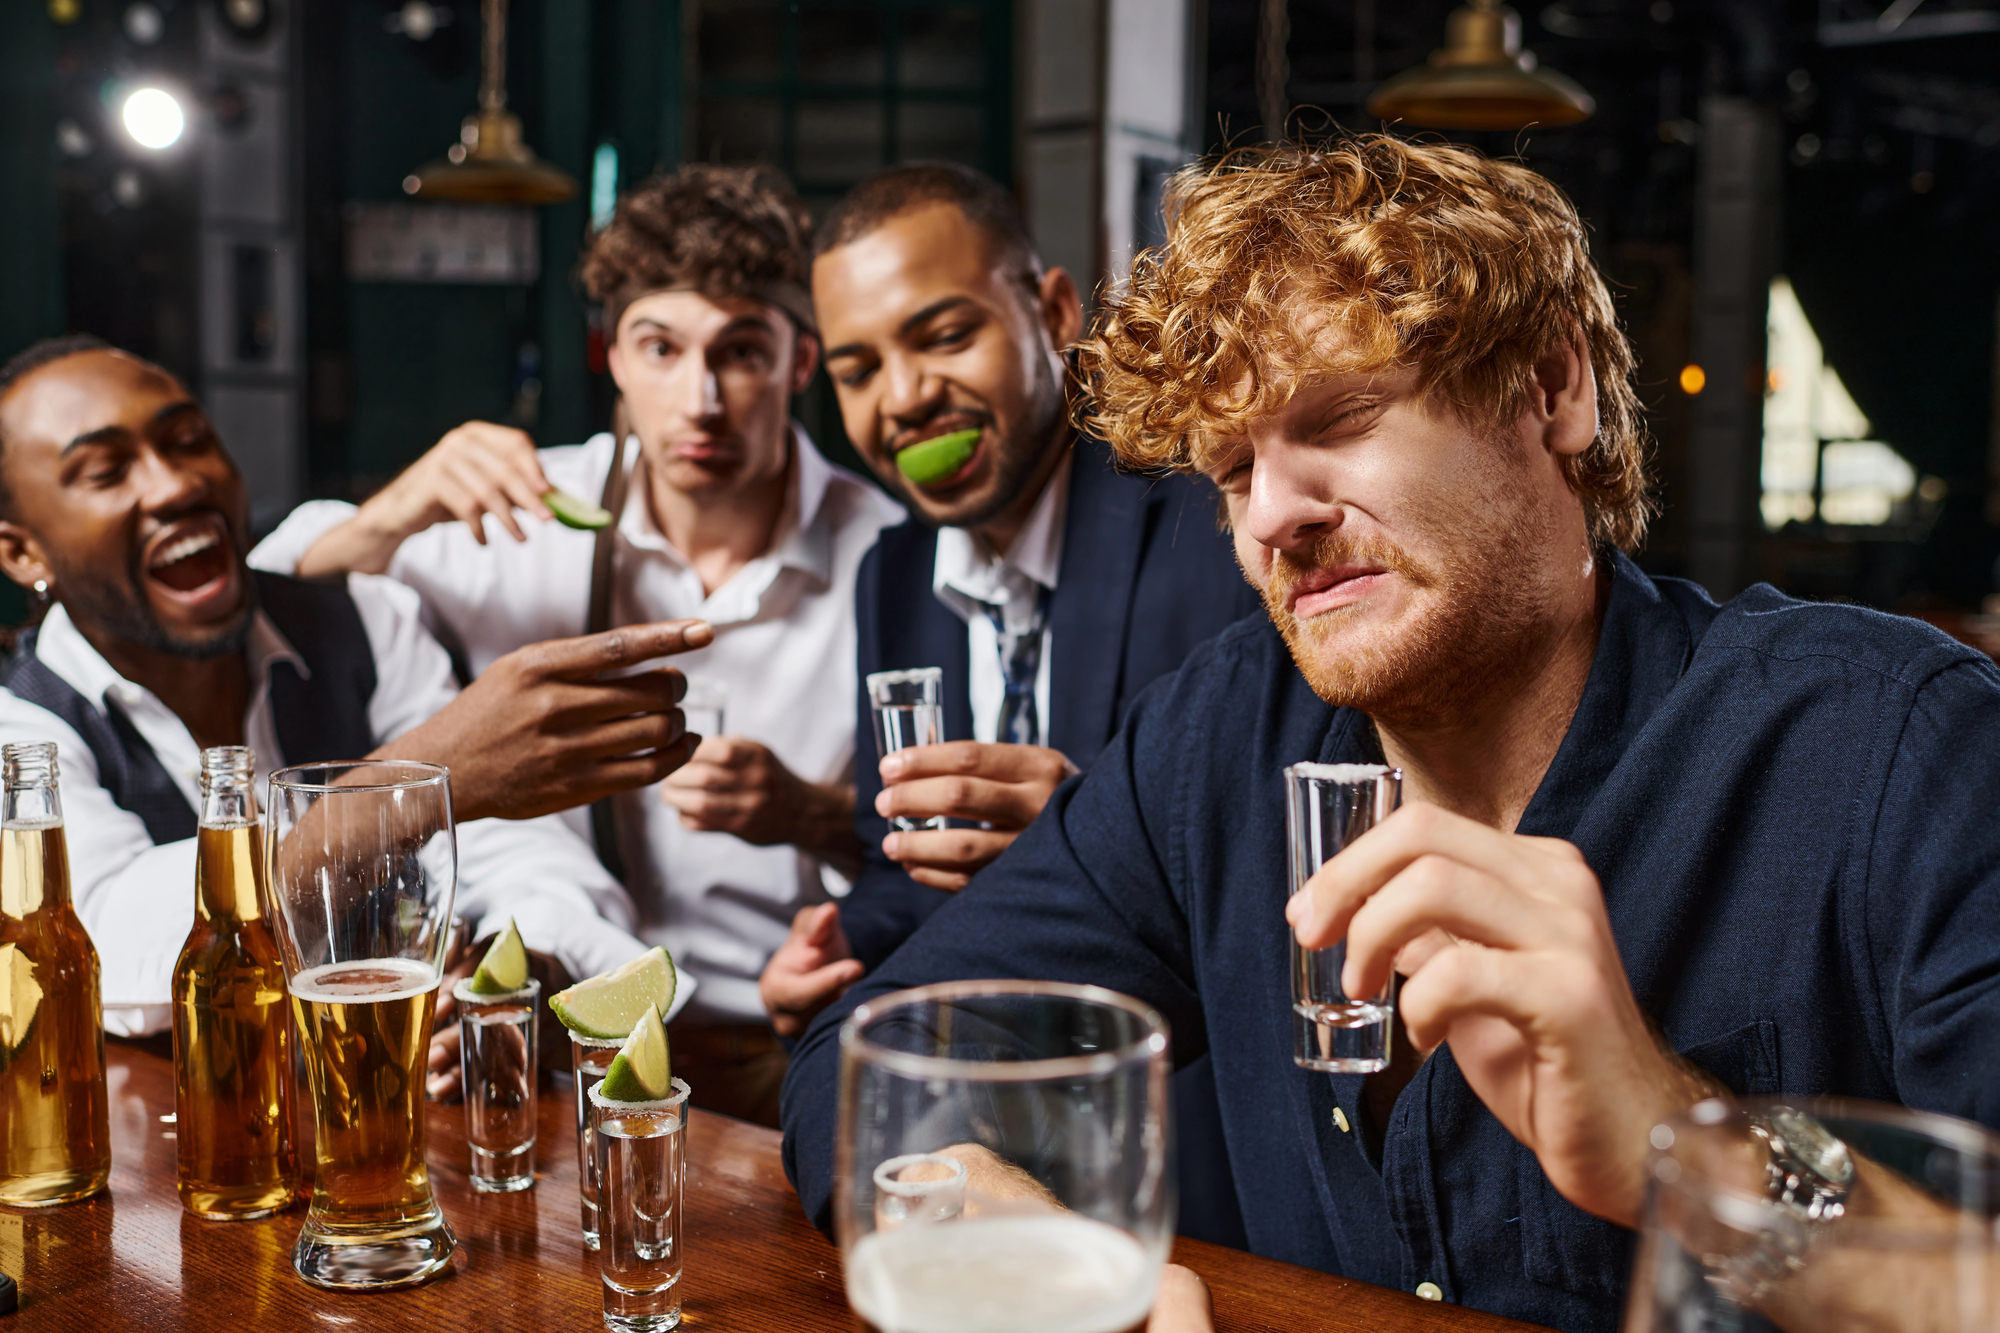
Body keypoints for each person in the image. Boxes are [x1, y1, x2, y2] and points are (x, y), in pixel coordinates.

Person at [778, 137, 2000, 1332]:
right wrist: (1008, 1246)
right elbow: (865, 1055)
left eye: (1340, 418)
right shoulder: (1213, 742)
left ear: (1550, 388)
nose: (1273, 515)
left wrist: (1681, 1144)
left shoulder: (1892, 747)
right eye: (1227, 468)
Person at [253, 164, 905, 1126]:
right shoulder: (525, 515)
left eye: (742, 351)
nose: (702, 399)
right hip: (556, 1040)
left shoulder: (884, 552)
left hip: (790, 1044)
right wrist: (390, 512)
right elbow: (273, 619)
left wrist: (811, 813)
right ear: (614, 355)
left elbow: (947, 833)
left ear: (800, 362)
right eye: (661, 347)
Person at [756, 163, 1261, 1248]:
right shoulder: (891, 574)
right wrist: (846, 943)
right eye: (855, 369)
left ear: (1053, 313)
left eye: (941, 336)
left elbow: (1288, 865)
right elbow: (906, 865)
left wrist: (1103, 833)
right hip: (975, 1173)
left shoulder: (1210, 524)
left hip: (1196, 1184)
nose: (900, 399)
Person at [0, 335, 706, 1044]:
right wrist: (415, 785)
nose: (175, 484)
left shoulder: (362, 620)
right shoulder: (21, 726)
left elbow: (523, 861)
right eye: (104, 471)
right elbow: (103, 943)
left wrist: (510, 977)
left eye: (187, 439)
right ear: (22, 550)